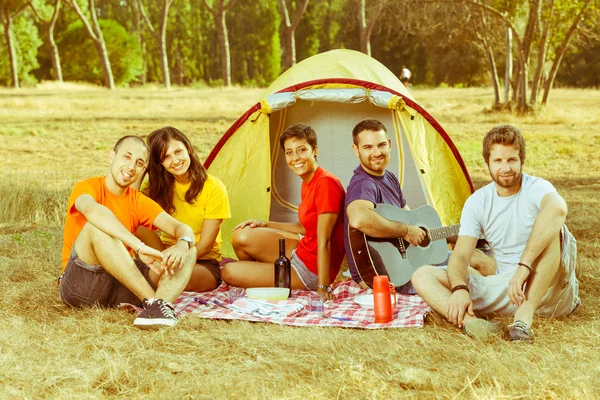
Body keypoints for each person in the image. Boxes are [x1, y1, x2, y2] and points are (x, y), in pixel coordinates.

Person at [412, 124, 580, 342]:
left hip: (549, 290)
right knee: (422, 276)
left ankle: (524, 317)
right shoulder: (478, 202)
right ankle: (471, 323)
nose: (505, 168)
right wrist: (460, 288)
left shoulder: (537, 187)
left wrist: (523, 267)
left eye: (511, 160)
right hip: (508, 289)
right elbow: (461, 256)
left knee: (556, 228)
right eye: (498, 161)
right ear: (486, 163)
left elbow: (558, 209)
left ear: (522, 161)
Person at [59, 135, 198, 329]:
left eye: (139, 163)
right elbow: (92, 211)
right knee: (96, 227)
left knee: (189, 248)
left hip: (121, 284)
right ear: (112, 156)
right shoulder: (87, 187)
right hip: (83, 284)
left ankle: (158, 309)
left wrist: (182, 244)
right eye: (126, 157)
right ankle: (154, 303)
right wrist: (138, 246)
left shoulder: (137, 201)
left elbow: (182, 228)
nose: (131, 166)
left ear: (143, 170)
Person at [344, 119, 495, 290]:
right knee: (466, 272)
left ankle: (511, 294)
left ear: (390, 144)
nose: (377, 152)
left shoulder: (390, 177)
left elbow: (414, 223)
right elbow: (358, 218)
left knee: (477, 257)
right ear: (356, 150)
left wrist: (461, 233)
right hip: (387, 275)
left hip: (409, 261)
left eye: (381, 145)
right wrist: (406, 231)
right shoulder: (364, 184)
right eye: (368, 147)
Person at [221, 124, 345, 300]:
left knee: (229, 272)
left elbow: (325, 241)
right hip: (300, 251)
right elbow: (306, 227)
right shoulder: (309, 180)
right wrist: (266, 223)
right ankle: (267, 274)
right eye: (289, 152)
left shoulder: (326, 184)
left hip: (311, 271)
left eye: (302, 150)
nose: (296, 158)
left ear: (315, 150)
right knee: (241, 236)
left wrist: (323, 287)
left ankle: (266, 276)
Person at [135, 126, 231, 293]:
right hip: (165, 252)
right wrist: (144, 168)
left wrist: (177, 256)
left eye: (178, 151)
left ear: (188, 148)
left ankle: (146, 277)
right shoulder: (156, 187)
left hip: (202, 262)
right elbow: (130, 205)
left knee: (162, 275)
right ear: (159, 163)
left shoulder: (214, 188)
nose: (175, 160)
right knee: (134, 222)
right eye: (166, 157)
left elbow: (206, 245)